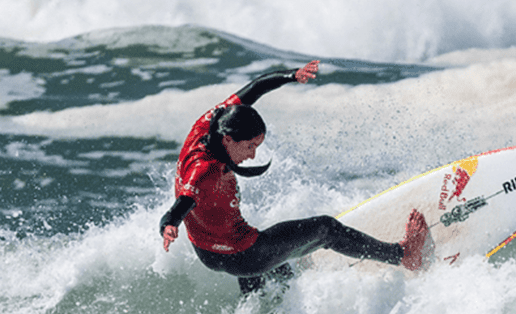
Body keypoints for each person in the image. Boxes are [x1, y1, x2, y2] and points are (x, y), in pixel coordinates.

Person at [160, 60, 433, 294]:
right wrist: (169, 224)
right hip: (242, 255)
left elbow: (255, 88)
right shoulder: (204, 170)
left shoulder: (210, 124)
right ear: (229, 139)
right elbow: (183, 202)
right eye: (250, 146)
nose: (253, 155)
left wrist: (291, 75)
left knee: (279, 279)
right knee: (326, 229)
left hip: (209, 253)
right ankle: (404, 255)